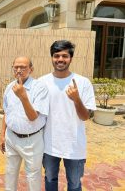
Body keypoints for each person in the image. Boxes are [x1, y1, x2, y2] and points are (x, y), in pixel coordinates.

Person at [39, 40, 96, 191]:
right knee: (50, 179)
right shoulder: (42, 82)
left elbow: (85, 117)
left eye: (65, 56)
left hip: (74, 144)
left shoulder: (83, 83)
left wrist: (77, 99)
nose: (60, 59)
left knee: (75, 183)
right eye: (56, 55)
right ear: (51, 57)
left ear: (71, 58)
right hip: (49, 144)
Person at [0, 57, 49, 191]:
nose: (19, 70)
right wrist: (2, 135)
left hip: (31, 140)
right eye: (16, 67)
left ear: (31, 69)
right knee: (10, 172)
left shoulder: (40, 88)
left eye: (23, 67)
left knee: (33, 177)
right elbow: (6, 112)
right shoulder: (10, 87)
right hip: (11, 138)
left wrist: (23, 96)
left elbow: (33, 117)